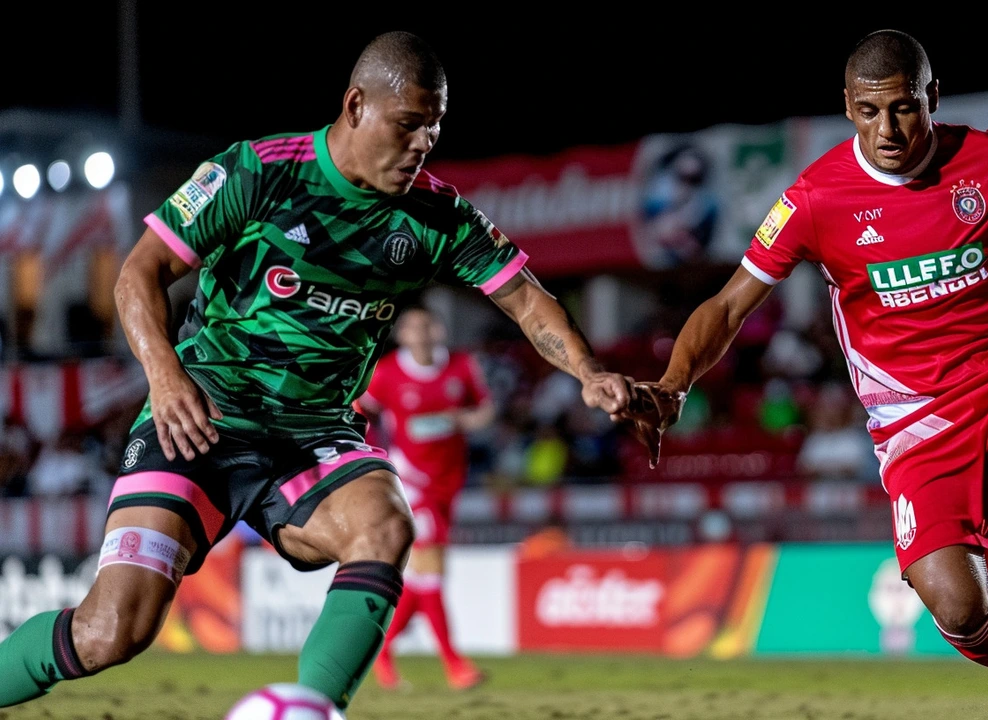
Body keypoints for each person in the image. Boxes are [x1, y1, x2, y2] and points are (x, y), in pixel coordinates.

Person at [0, 31, 633, 712]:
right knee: (110, 633)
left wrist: (589, 373)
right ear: (356, 105)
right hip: (200, 419)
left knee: (386, 527)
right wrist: (163, 374)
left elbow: (528, 301)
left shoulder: (435, 215)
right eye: (409, 123)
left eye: (436, 126)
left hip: (313, 434)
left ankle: (307, 710)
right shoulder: (260, 172)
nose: (424, 143)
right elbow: (139, 273)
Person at [620, 30, 988, 720]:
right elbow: (728, 304)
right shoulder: (815, 200)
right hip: (913, 421)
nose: (888, 129)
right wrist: (676, 382)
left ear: (933, 98)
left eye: (903, 108)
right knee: (959, 610)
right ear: (847, 107)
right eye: (869, 112)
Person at [357, 306, 494, 691]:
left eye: (428, 325)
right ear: (401, 335)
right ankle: (455, 666)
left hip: (449, 481)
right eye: (413, 327)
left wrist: (466, 420)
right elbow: (358, 409)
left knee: (424, 578)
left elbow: (485, 410)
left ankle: (379, 651)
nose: (422, 332)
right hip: (412, 480)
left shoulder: (462, 366)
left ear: (440, 329)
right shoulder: (386, 372)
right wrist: (375, 457)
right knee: (431, 571)